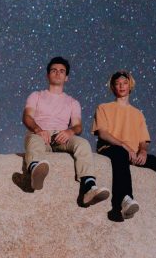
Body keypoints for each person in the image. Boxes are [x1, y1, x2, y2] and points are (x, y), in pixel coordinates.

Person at [92, 70, 156, 245]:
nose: (121, 86)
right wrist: (124, 145)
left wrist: (142, 151)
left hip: (134, 153)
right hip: (111, 148)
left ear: (130, 86)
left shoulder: (138, 114)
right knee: (120, 154)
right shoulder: (103, 108)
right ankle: (124, 200)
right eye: (117, 83)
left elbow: (143, 140)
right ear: (113, 87)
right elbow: (103, 133)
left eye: (124, 83)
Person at [22, 56, 109, 207]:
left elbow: (78, 126)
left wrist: (69, 132)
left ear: (66, 77)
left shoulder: (73, 102)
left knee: (83, 143)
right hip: (41, 133)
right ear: (47, 75)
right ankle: (35, 171)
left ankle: (88, 186)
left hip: (61, 136)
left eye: (62, 71)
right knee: (33, 139)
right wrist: (38, 129)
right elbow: (27, 117)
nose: (58, 73)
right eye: (54, 70)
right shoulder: (36, 95)